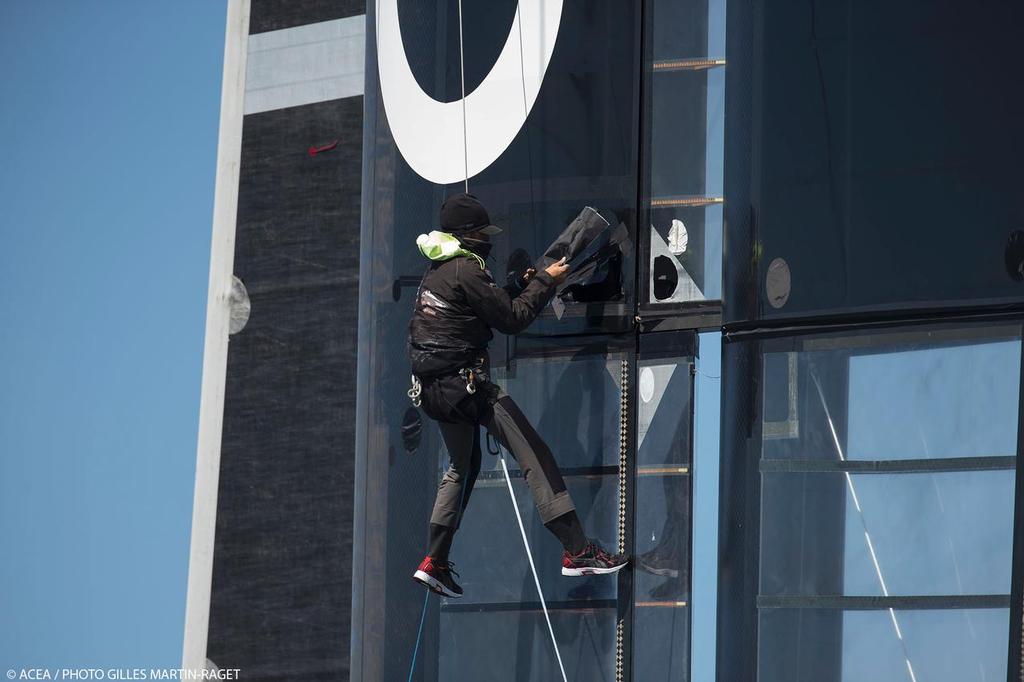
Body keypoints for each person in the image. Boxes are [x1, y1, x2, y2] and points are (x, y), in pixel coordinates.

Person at [406, 192, 629, 598]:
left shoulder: (437, 269)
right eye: (481, 233)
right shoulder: (465, 269)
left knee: (462, 466)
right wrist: (546, 281)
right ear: (467, 235)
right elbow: (512, 319)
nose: (487, 241)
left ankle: (434, 560)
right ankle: (578, 552)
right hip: (467, 387)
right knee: (535, 456)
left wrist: (517, 284)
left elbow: (486, 305)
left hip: (434, 393)